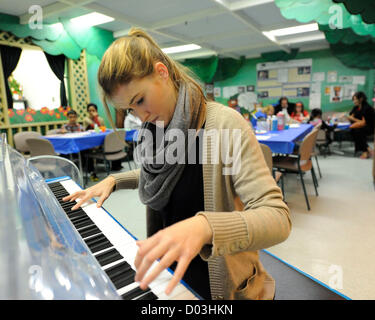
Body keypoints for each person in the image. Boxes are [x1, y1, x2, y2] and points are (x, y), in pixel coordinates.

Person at [62, 28, 291, 300]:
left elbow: (278, 217)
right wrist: (115, 180)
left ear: (162, 72)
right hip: (171, 275)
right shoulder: (153, 129)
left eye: (140, 100)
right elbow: (169, 171)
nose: (141, 116)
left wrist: (205, 227)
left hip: (221, 285)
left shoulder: (224, 125)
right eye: (130, 110)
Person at [347, 92, 375, 159]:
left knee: (358, 131)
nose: (354, 101)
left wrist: (353, 119)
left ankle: (365, 151)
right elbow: (351, 116)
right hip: (361, 125)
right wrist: (350, 118)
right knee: (352, 131)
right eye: (353, 99)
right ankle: (367, 148)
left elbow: (365, 122)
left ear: (361, 99)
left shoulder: (367, 108)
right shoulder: (356, 107)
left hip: (370, 126)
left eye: (355, 99)